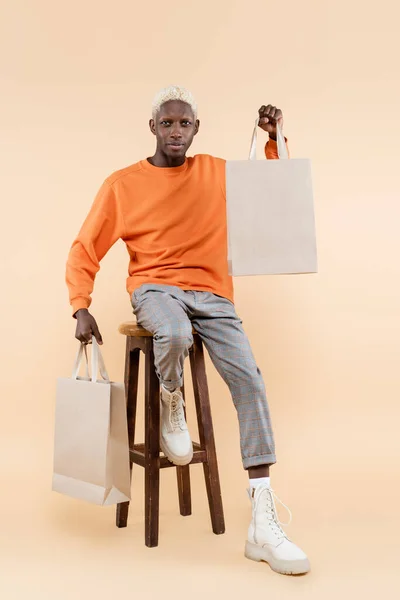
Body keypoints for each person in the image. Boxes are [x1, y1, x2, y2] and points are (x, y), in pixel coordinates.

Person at [66, 85, 310, 576]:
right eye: (167, 123)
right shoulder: (123, 183)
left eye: (184, 123)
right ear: (153, 128)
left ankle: (262, 518)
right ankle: (171, 397)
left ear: (196, 130)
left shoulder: (214, 171)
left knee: (251, 381)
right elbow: (86, 245)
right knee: (173, 335)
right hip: (156, 289)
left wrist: (273, 136)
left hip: (213, 292)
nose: (175, 131)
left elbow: (270, 189)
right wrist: (80, 307)